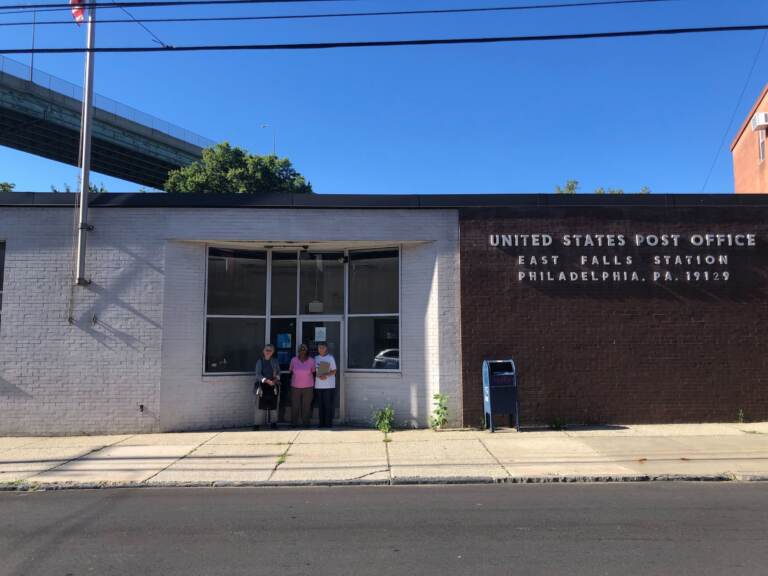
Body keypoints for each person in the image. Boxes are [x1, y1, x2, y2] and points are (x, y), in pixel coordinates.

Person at [254, 344, 281, 430]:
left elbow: (278, 373)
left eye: (270, 350)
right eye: (266, 350)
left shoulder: (275, 361)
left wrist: (275, 380)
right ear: (263, 351)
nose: (268, 352)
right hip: (262, 386)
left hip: (273, 385)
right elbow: (258, 374)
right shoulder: (260, 361)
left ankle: (273, 423)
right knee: (259, 406)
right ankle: (257, 424)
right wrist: (266, 380)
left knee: (274, 406)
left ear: (273, 352)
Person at [289, 344, 315, 427]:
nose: (302, 351)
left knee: (306, 406)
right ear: (298, 351)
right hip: (295, 387)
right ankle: (294, 423)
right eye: (301, 350)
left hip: (308, 387)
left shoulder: (311, 360)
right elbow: (291, 371)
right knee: (295, 406)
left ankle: (306, 423)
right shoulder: (293, 360)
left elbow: (314, 372)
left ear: (306, 351)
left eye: (304, 350)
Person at [313, 341, 337, 429]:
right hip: (319, 385)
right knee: (320, 405)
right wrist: (318, 375)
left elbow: (334, 371)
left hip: (329, 386)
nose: (321, 349)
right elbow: (313, 371)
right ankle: (321, 423)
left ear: (326, 348)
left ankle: (328, 423)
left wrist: (325, 375)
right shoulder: (315, 358)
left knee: (328, 405)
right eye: (319, 348)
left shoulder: (330, 358)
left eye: (323, 348)